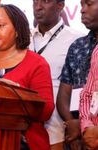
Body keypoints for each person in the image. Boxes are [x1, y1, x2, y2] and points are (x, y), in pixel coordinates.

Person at [0, 4, 54, 150]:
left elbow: (46, 111)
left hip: (23, 142)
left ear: (17, 29)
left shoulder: (36, 63)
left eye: (0, 25)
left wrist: (18, 92)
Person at [29, 0, 83, 149]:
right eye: (35, 2)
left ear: (60, 5)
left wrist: (75, 123)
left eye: (45, 1)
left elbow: (80, 87)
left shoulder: (76, 40)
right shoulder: (22, 39)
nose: (38, 7)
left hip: (59, 130)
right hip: (24, 128)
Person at [56, 0, 98, 149]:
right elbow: (64, 93)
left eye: (89, 4)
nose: (82, 10)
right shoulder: (77, 46)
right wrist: (77, 125)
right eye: (81, 5)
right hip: (78, 131)